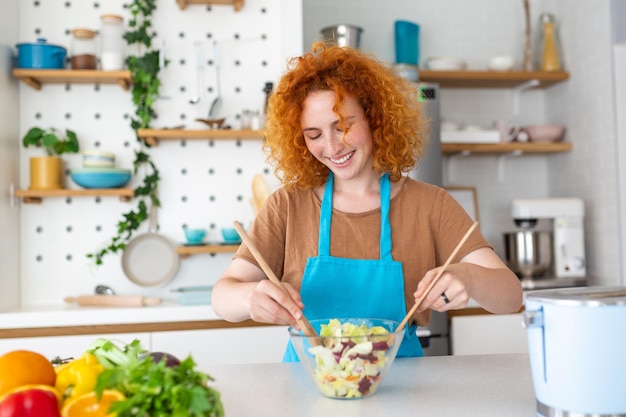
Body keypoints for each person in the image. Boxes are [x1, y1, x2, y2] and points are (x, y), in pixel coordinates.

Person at [211, 42, 523, 361]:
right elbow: (222, 296)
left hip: (403, 385)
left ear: (374, 119)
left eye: (343, 126)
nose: (332, 147)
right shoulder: (287, 205)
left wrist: (469, 278)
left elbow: (511, 297)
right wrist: (250, 297)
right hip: (307, 385)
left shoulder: (431, 205)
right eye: (314, 135)